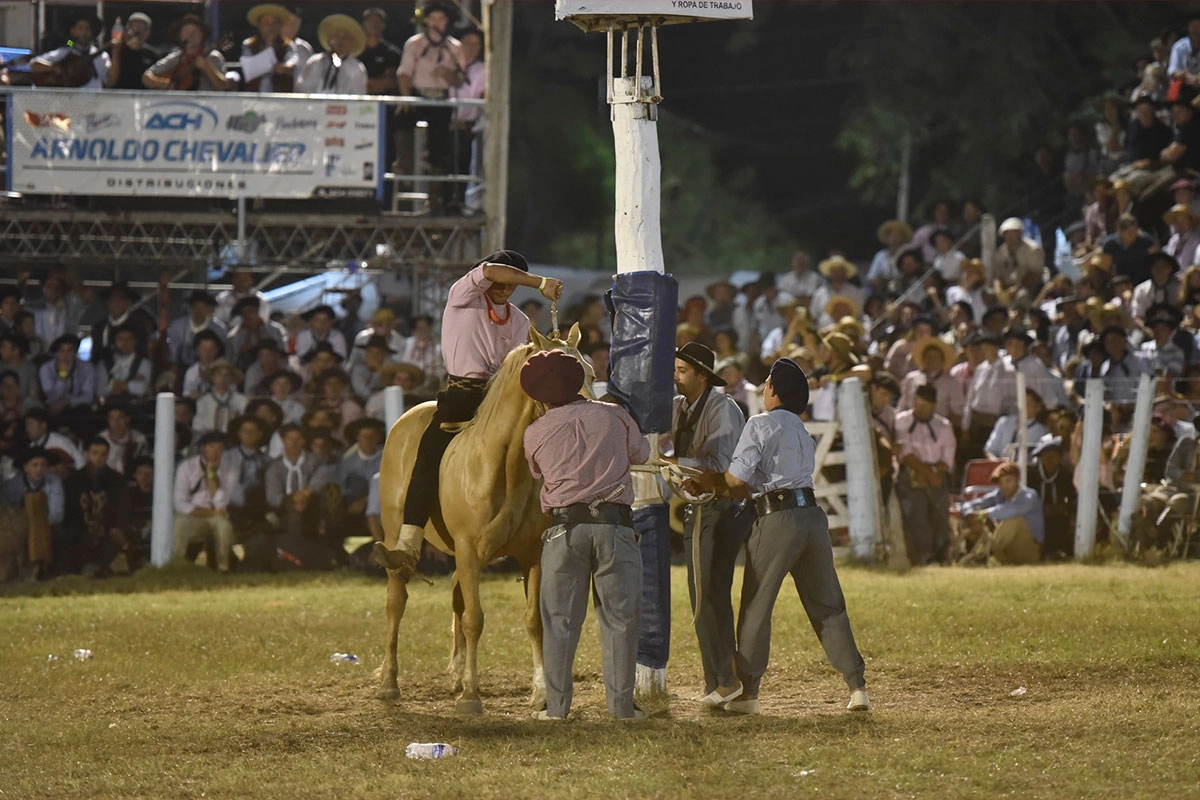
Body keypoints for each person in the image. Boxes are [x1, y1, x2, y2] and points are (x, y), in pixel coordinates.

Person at [686, 358, 868, 715]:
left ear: (774, 391)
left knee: (757, 605)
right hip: (812, 516)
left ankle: (747, 691)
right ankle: (856, 685)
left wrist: (709, 480)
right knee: (827, 603)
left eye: (767, 383)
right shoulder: (800, 429)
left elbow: (737, 481)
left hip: (777, 518)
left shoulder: (760, 423)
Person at [374, 251, 563, 575]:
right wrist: (540, 282)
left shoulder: (518, 321)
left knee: (547, 446)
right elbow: (490, 270)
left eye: (512, 282)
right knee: (429, 452)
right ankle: (409, 540)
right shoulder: (463, 296)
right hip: (463, 393)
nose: (505, 287)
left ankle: (545, 531)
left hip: (503, 398)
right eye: (504, 279)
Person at [519, 350, 649, 720]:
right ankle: (622, 707)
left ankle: (557, 709)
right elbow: (640, 455)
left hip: (563, 529)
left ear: (538, 395)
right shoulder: (616, 416)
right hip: (614, 525)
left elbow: (536, 472)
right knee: (621, 620)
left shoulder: (535, 433)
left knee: (559, 621)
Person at [665, 343, 746, 706]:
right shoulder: (681, 407)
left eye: (683, 371)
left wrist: (670, 461)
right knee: (707, 595)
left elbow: (722, 464)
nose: (676, 376)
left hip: (718, 508)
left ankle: (726, 681)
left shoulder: (722, 408)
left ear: (702, 376)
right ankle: (718, 680)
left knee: (708, 597)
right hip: (699, 509)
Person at [395, 0, 465, 200]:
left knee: (439, 142)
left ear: (447, 22)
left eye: (441, 19)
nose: (436, 23)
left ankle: (435, 196)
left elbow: (459, 79)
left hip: (440, 97)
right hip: (417, 94)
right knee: (402, 117)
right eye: (432, 19)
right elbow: (404, 73)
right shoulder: (414, 43)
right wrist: (406, 97)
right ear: (426, 21)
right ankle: (404, 165)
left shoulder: (455, 47)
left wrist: (447, 74)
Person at [893, 384, 956, 565]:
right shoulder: (902, 421)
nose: (920, 409)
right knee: (917, 518)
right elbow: (906, 453)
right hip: (911, 473)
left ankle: (942, 555)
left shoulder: (944, 426)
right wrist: (926, 473)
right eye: (917, 404)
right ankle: (925, 557)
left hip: (937, 473)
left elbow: (948, 459)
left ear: (934, 406)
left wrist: (934, 473)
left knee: (939, 517)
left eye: (925, 406)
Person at [62, 438, 132, 576]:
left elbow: (123, 509)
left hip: (109, 529)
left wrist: (116, 527)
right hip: (81, 530)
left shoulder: (117, 480)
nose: (99, 458)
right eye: (95, 453)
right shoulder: (72, 481)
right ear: (87, 454)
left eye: (103, 454)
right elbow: (69, 512)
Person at [172, 431, 237, 572]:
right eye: (212, 446)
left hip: (215, 516)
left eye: (220, 447)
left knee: (223, 526)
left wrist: (211, 474)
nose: (215, 451)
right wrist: (211, 512)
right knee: (179, 524)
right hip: (193, 515)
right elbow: (180, 503)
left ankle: (223, 568)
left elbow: (221, 503)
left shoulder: (229, 470)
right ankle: (175, 566)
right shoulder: (186, 467)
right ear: (203, 448)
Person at [959, 462, 1045, 565]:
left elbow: (1010, 510)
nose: (1004, 486)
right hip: (1006, 551)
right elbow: (970, 504)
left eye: (1008, 481)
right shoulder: (999, 495)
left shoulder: (1030, 496)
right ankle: (966, 552)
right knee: (977, 519)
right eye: (1001, 482)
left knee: (1013, 520)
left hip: (1029, 551)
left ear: (1018, 480)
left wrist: (982, 514)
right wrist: (970, 514)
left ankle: (982, 554)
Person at [1, 448, 64, 580]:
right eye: (34, 465)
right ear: (25, 468)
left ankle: (43, 569)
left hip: (47, 527)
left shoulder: (54, 482)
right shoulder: (12, 486)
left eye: (43, 465)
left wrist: (39, 524)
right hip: (18, 530)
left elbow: (57, 512)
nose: (39, 469)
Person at [143, 14, 229, 91]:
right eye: (186, 31)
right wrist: (167, 83)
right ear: (180, 36)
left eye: (195, 31)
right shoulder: (175, 58)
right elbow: (146, 77)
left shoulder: (213, 57)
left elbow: (223, 86)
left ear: (202, 35)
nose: (191, 35)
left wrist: (207, 67)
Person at [30, 12, 109, 88]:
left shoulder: (101, 56)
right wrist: (55, 68)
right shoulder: (65, 50)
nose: (84, 32)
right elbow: (34, 65)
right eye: (80, 28)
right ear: (72, 31)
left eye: (88, 28)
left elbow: (110, 81)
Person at [297, 14, 368, 94]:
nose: (340, 40)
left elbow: (358, 96)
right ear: (329, 39)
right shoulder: (315, 61)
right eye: (337, 36)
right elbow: (301, 88)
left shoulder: (357, 68)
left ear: (352, 43)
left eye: (345, 37)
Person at [241, 4, 299, 93]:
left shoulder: (288, 45)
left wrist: (283, 68)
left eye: (275, 23)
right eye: (266, 22)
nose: (271, 26)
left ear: (280, 26)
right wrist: (268, 46)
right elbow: (248, 69)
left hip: (280, 100)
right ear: (258, 24)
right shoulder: (249, 45)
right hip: (254, 100)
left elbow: (292, 63)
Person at [168, 291, 227, 369]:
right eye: (195, 307)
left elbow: (222, 354)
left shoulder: (219, 330)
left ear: (209, 310)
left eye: (203, 308)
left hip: (211, 368)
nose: (199, 312)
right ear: (190, 308)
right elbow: (173, 351)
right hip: (180, 367)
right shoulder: (177, 326)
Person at [106, 11, 159, 90]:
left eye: (142, 28)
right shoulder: (115, 50)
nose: (137, 30)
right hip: (118, 97)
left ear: (147, 33)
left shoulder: (152, 55)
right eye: (134, 26)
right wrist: (116, 52)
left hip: (144, 98)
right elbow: (111, 81)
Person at [99, 402, 148, 476]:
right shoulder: (101, 438)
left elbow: (144, 464)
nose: (116, 422)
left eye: (120, 418)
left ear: (127, 419)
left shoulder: (139, 439)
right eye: (112, 418)